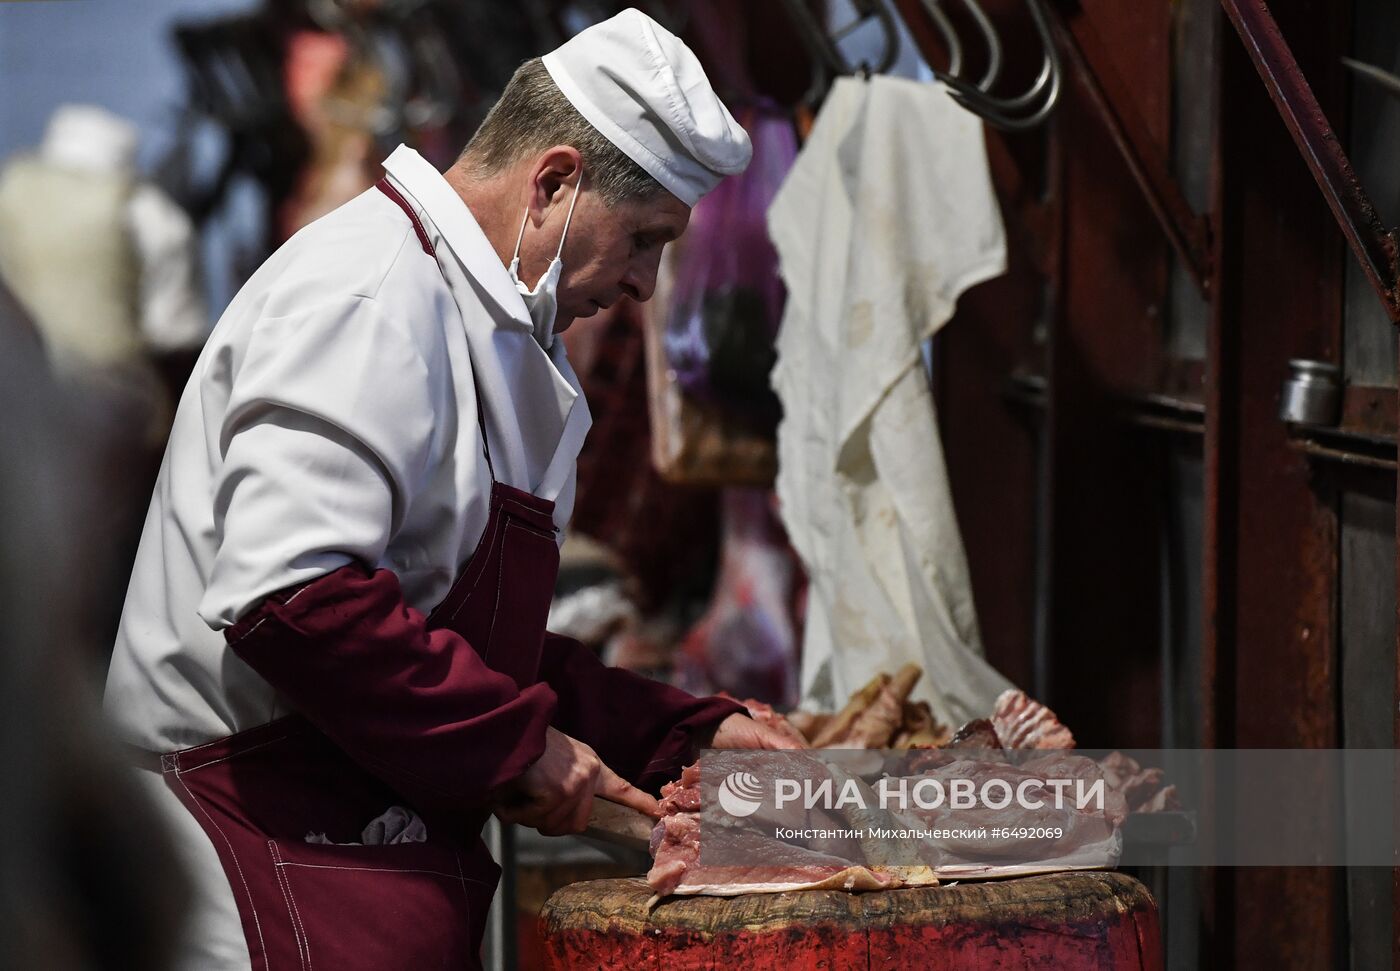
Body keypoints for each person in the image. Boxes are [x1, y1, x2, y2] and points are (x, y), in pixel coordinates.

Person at [103, 9, 800, 970]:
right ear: (553, 181)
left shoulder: (471, 315)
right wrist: (522, 749)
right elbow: (293, 600)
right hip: (249, 875)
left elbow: (459, 643)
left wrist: (680, 731)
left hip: (354, 861)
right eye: (643, 240)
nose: (646, 284)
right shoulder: (367, 295)